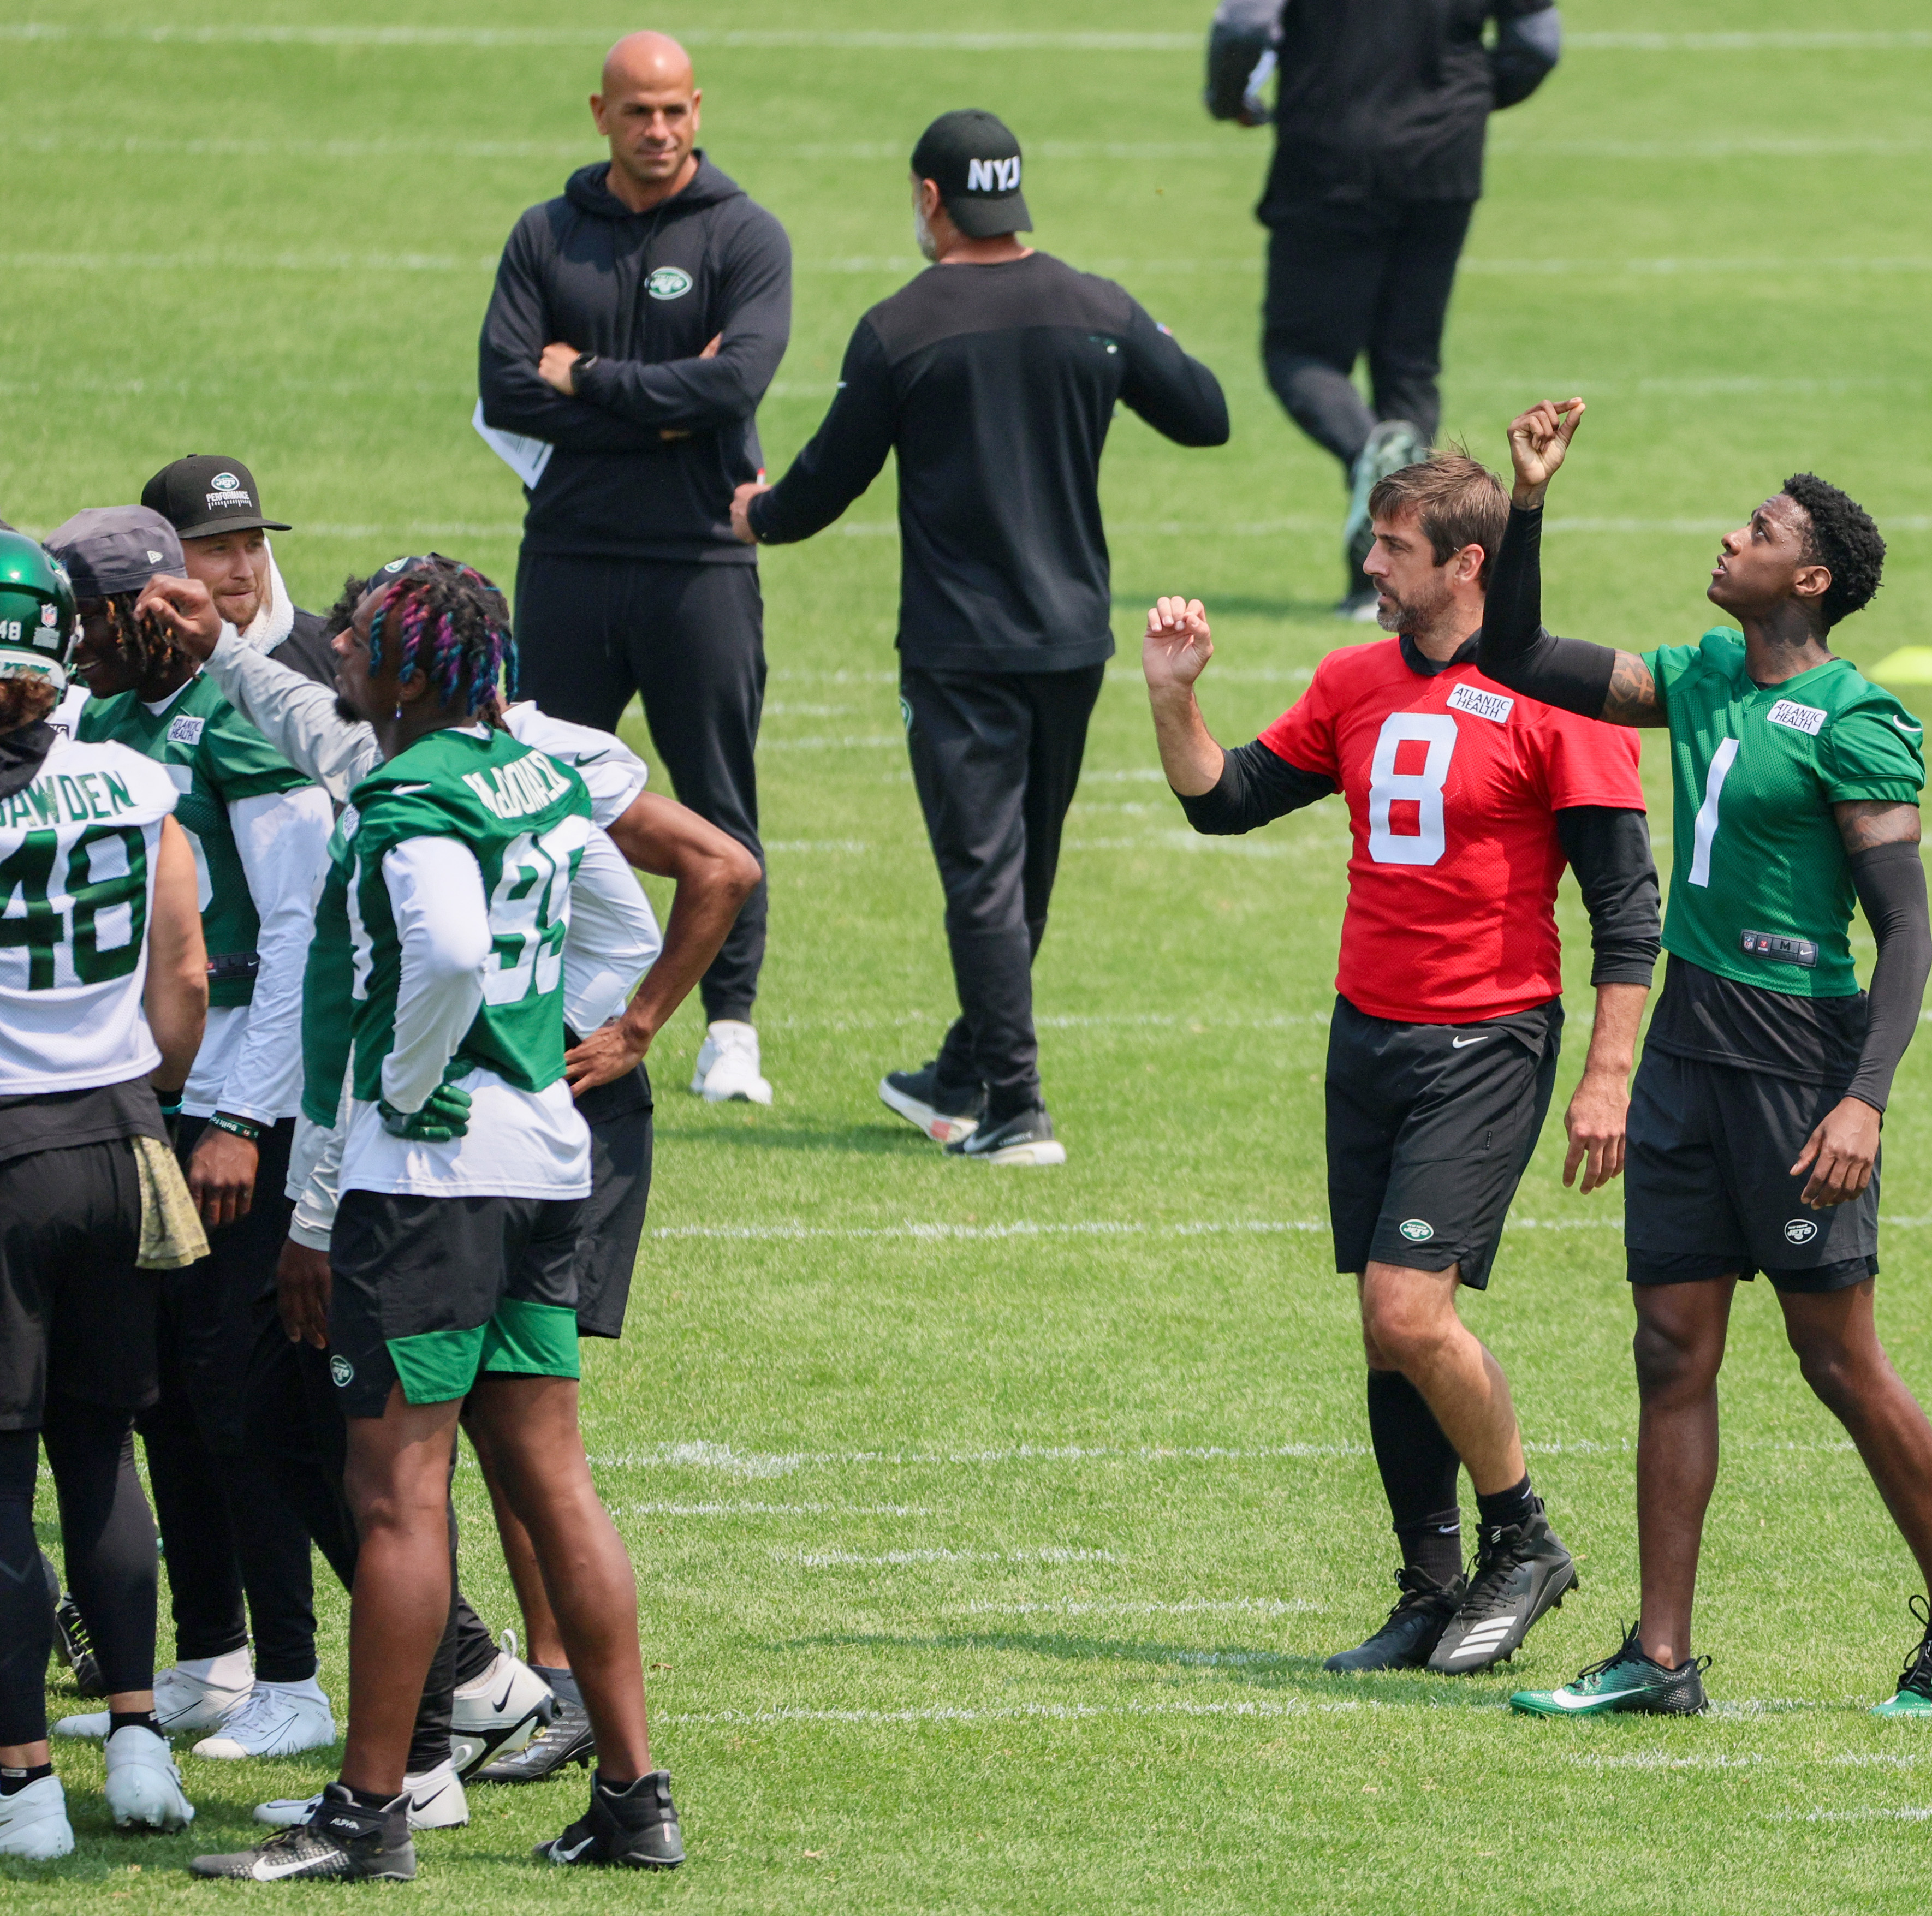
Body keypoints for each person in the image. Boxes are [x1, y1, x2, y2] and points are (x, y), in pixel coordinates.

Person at [145, 555, 754, 1790]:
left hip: (432, 1170)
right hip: (539, 1151)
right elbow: (617, 928)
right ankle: (630, 1789)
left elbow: (456, 957)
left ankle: (387, 1791)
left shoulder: (416, 795)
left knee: (396, 1489)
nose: (339, 653)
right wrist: (216, 645)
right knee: (547, 1470)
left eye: (359, 638)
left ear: (416, 667)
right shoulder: (529, 769)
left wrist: (402, 1097)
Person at [1466, 400, 1932, 1720]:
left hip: (1796, 1055)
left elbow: (1905, 935)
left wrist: (1861, 1100)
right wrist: (1529, 502)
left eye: (1758, 529)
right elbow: (1522, 656)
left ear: (1809, 579)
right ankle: (1658, 1657)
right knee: (1670, 1347)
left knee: (1836, 1360)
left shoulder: (1855, 717)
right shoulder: (1702, 674)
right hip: (1688, 1053)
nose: (1730, 535)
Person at [1143, 452, 1658, 1674]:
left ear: (1465, 564)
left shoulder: (1561, 698)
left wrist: (1606, 1076)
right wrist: (1174, 695)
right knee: (1384, 1332)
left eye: (1390, 548)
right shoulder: (1352, 679)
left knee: (1405, 1310)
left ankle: (1521, 1538)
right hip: (1365, 1031)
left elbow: (1624, 912)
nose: (1367, 566)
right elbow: (1226, 802)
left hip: (1485, 1041)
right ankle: (1429, 1588)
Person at [732, 109, 1229, 1165]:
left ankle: (1015, 1106)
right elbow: (1204, 413)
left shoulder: (902, 328)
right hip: (1068, 645)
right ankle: (964, 1071)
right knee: (1020, 876)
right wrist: (1145, 341)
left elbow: (826, 481)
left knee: (983, 879)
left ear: (929, 199)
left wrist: (756, 515)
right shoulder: (1096, 308)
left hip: (958, 653)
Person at [37, 508, 345, 1768]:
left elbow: (293, 946)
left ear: (139, 612)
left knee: (245, 1400)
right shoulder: (103, 720)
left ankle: (299, 1676)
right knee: (168, 1400)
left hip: (240, 1127)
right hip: (155, 1116)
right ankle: (211, 1656)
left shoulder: (234, 727)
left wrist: (236, 1120)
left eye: (86, 619)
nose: (70, 642)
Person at [477, 29, 789, 1106]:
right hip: (567, 556)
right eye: (636, 111)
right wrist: (664, 409)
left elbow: (735, 383)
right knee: (541, 788)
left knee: (718, 794)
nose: (657, 131)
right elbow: (506, 391)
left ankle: (730, 1028)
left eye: (674, 111)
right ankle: (548, 1000)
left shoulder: (746, 236)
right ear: (599, 113)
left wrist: (592, 383)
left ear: (697, 110)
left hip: (700, 562)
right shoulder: (545, 236)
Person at [0, 527, 210, 1862]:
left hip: (6, 1154)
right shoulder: (131, 777)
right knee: (102, 1446)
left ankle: (23, 1777)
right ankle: (137, 1738)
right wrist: (142, 1088)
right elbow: (183, 975)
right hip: (128, 1140)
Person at [1205, 0, 1561, 610]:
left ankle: (1370, 456)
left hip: (1327, 152)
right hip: (1443, 159)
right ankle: (1385, 587)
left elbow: (1244, 27)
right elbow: (1535, 44)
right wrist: (1467, 99)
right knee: (1409, 365)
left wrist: (1227, 95)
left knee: (1301, 354)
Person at [140, 455, 337, 685]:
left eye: (254, 546)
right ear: (164, 558)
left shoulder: (330, 651)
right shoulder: (123, 665)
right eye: (219, 549)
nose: (245, 572)